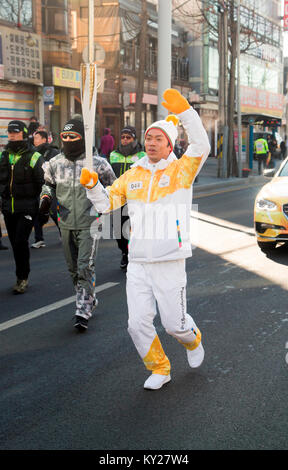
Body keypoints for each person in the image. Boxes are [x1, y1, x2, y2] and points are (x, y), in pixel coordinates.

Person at [80, 88, 210, 389]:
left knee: (174, 325)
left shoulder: (182, 170)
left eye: (158, 139)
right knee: (136, 324)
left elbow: (201, 144)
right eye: (148, 138)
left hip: (169, 259)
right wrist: (92, 186)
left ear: (169, 145)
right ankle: (160, 368)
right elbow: (105, 204)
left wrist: (187, 112)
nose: (151, 143)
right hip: (138, 262)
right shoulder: (133, 174)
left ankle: (192, 340)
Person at [40, 117, 116, 331]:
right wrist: (45, 199)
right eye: (64, 136)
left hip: (89, 222)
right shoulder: (54, 163)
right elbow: (48, 186)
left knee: (84, 266)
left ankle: (82, 310)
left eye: (73, 137)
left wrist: (105, 208)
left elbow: (115, 188)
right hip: (65, 222)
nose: (68, 140)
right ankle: (89, 298)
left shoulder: (97, 164)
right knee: (73, 268)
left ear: (82, 138)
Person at [0, 120, 44, 293]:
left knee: (20, 241)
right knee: (14, 243)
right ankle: (21, 275)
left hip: (27, 207)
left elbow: (42, 183)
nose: (11, 134)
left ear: (24, 134)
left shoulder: (34, 156)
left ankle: (22, 277)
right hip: (8, 208)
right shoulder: (4, 156)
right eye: (10, 131)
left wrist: (43, 208)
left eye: (15, 132)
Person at [109, 126, 145, 269]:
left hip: (136, 199)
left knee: (136, 228)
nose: (125, 140)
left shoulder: (143, 156)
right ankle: (125, 252)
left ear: (134, 139)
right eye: (123, 137)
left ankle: (135, 255)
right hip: (118, 198)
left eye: (128, 137)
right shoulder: (113, 155)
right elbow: (107, 175)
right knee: (118, 230)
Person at [31, 130, 60, 248]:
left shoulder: (53, 152)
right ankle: (39, 239)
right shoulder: (32, 153)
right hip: (37, 188)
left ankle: (64, 232)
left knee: (54, 213)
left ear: (44, 139)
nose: (35, 141)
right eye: (34, 138)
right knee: (37, 214)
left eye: (37, 138)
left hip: (51, 188)